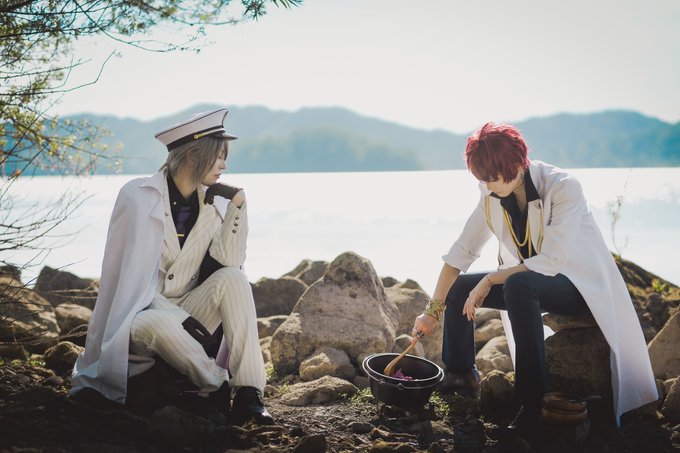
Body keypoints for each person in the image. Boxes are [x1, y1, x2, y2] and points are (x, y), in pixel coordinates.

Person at [412, 122, 657, 437]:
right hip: (531, 282)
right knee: (460, 288)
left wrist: (492, 279)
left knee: (517, 284)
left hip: (579, 287)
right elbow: (462, 251)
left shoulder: (563, 187)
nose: (488, 184)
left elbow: (552, 260)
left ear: (517, 164)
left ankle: (532, 405)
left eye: (493, 176)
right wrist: (431, 312)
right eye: (482, 178)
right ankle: (460, 376)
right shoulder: (491, 192)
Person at [71, 108, 272, 425]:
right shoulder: (137, 196)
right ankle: (216, 383)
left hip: (191, 312)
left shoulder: (218, 201)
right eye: (218, 156)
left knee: (234, 278)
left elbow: (231, 262)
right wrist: (177, 318)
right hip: (140, 315)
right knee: (160, 324)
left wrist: (239, 207)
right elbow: (124, 279)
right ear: (193, 155)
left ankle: (249, 393)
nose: (224, 165)